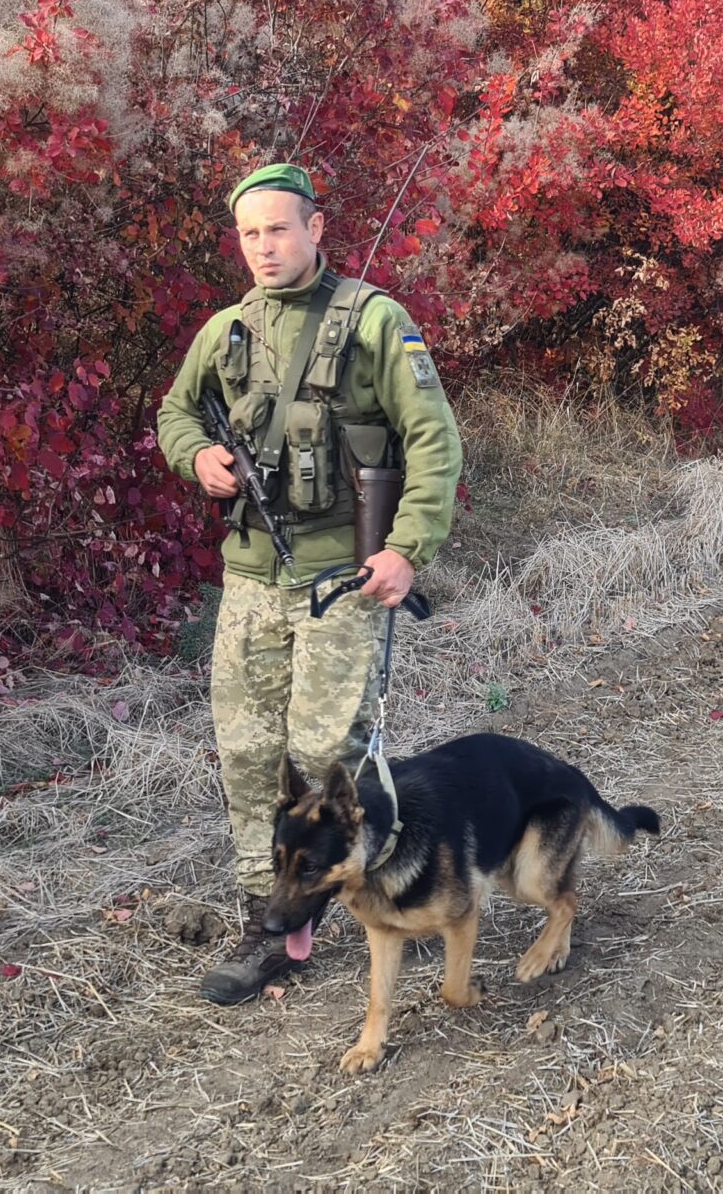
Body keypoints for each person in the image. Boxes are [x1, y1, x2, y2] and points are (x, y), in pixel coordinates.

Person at [155, 162, 464, 1003]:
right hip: (252, 575)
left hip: (341, 575)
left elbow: (433, 439)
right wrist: (200, 456)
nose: (263, 247)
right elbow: (174, 412)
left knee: (330, 756)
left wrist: (407, 547)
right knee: (252, 757)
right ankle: (273, 921)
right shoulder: (225, 332)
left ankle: (385, 890)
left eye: (279, 229)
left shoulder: (373, 322)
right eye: (250, 233)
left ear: (316, 228)